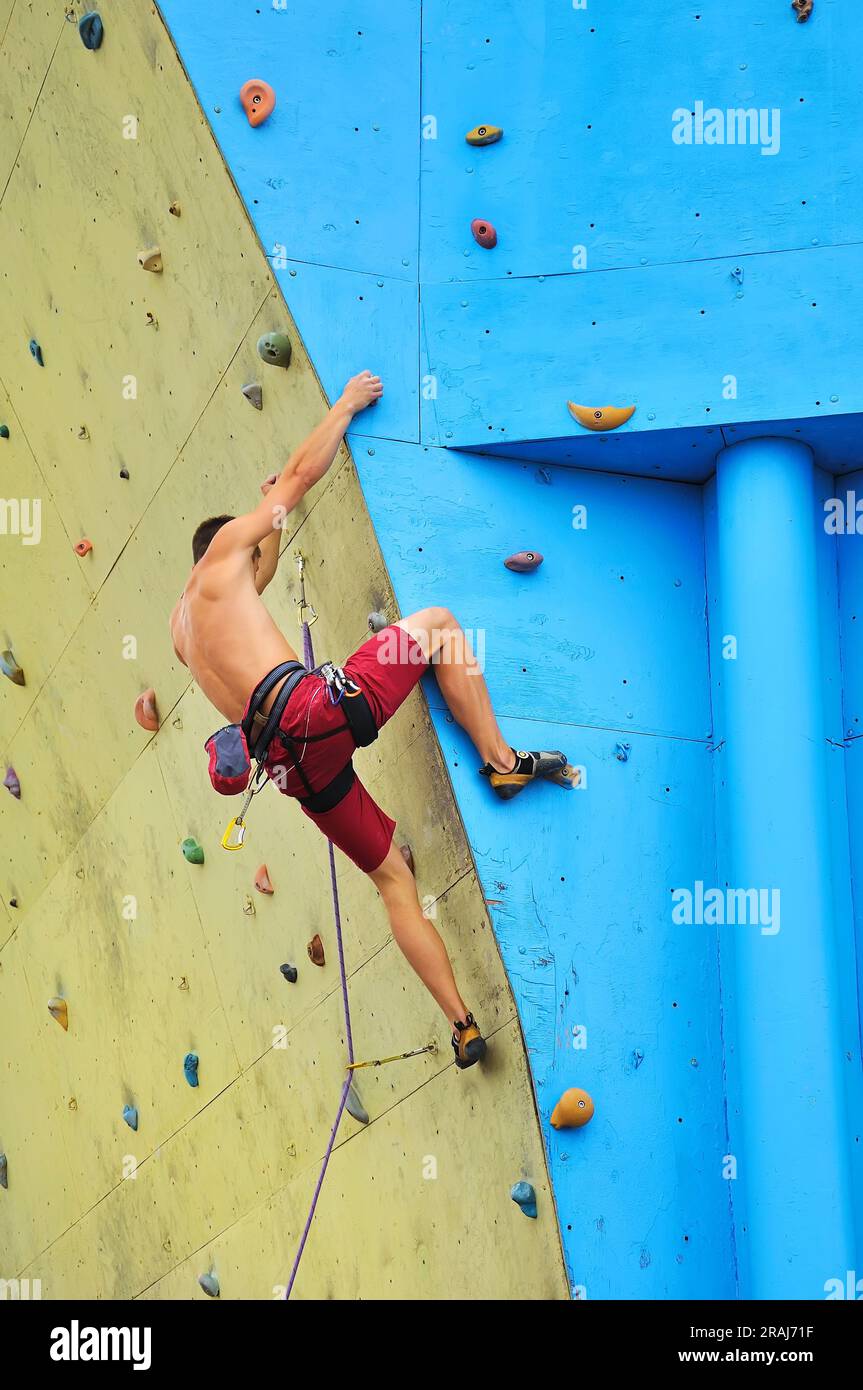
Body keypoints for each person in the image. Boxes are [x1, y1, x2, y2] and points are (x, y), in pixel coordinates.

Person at [170, 371, 572, 1068]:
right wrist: (345, 408)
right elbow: (298, 474)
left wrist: (267, 517)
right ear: (230, 546)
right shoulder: (227, 552)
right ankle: (503, 764)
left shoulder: (183, 630)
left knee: (393, 881)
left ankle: (462, 1024)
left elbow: (247, 600)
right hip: (315, 710)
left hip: (294, 771)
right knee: (441, 626)